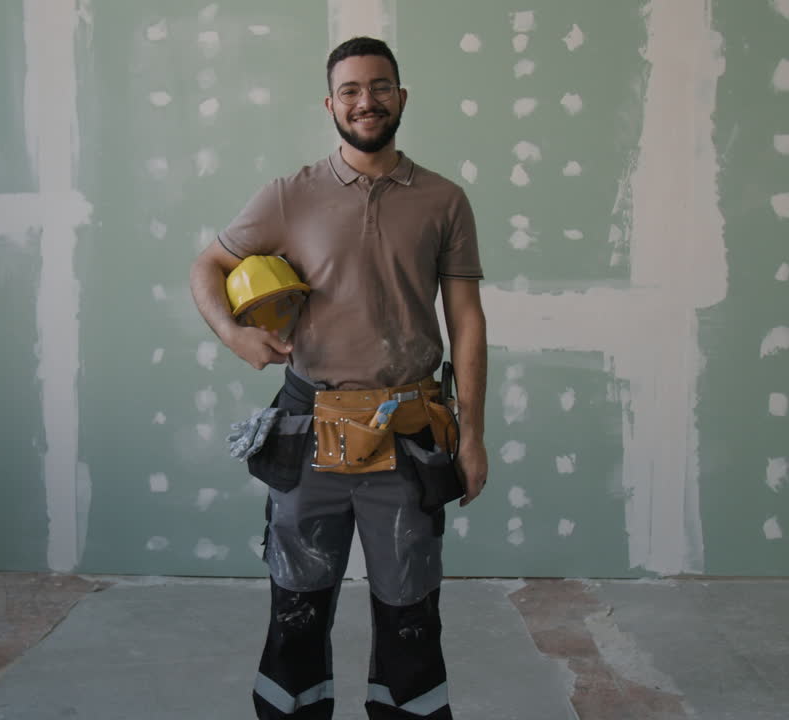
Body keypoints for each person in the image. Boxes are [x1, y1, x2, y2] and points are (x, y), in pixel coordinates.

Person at [189, 36, 488, 720]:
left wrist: (472, 436)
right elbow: (205, 266)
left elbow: (467, 323)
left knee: (411, 616)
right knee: (296, 613)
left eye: (380, 87)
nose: (366, 101)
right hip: (310, 428)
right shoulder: (289, 195)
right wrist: (236, 336)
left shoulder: (444, 200)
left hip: (410, 430)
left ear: (401, 97)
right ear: (331, 104)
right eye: (351, 90)